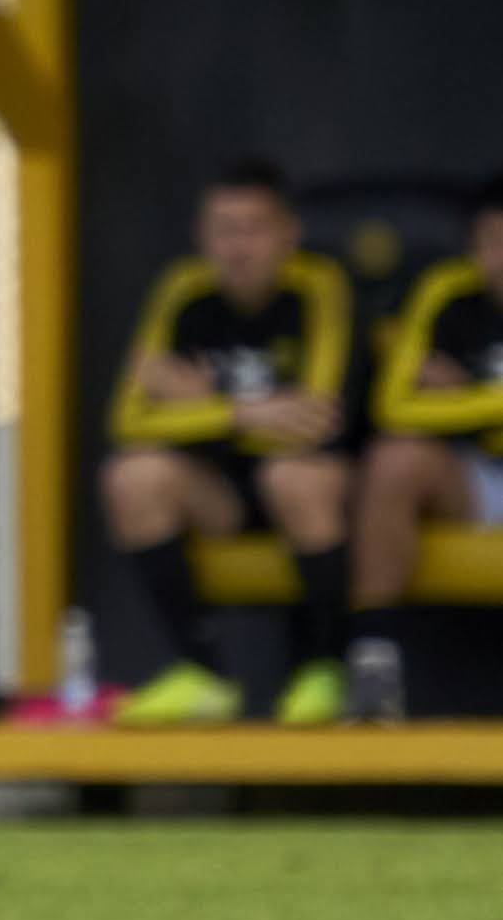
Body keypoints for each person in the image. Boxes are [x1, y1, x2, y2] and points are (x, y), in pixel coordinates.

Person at [100, 156, 356, 726]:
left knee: (294, 476)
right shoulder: (183, 290)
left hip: (312, 492)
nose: (238, 248)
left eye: (254, 229)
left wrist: (200, 402)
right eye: (224, 230)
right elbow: (128, 421)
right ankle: (202, 673)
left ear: (288, 233)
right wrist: (247, 412)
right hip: (224, 494)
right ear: (201, 236)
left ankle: (324, 669)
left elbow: (316, 421)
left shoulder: (318, 285)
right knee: (133, 475)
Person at [352, 175, 503, 724]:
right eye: (493, 241)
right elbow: (395, 407)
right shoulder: (446, 292)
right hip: (478, 479)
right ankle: (374, 667)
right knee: (395, 458)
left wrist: (464, 393)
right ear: (474, 247)